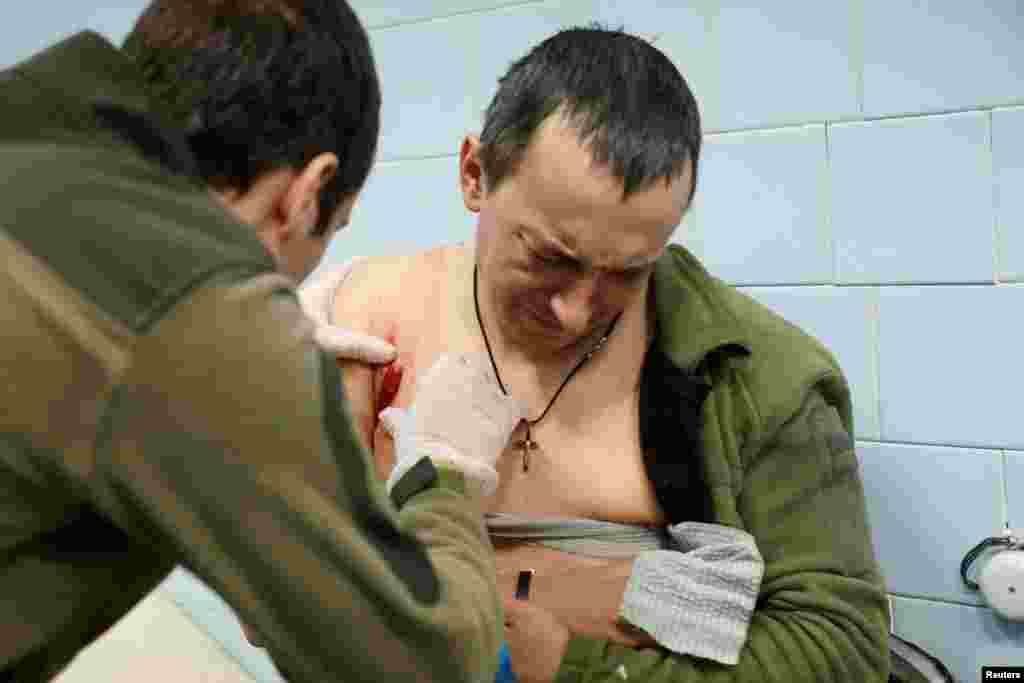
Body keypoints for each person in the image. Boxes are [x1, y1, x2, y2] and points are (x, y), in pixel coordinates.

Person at [319, 26, 892, 682]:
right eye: (548, 257)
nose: (575, 309)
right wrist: (599, 589)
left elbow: (842, 652)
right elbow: (280, 588)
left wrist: (574, 664)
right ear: (474, 175)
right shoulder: (367, 320)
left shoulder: (761, 378)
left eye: (627, 272)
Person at [0, 2, 528, 681]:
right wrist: (444, 470)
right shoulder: (193, 304)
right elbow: (425, 663)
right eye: (331, 233)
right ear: (307, 193)